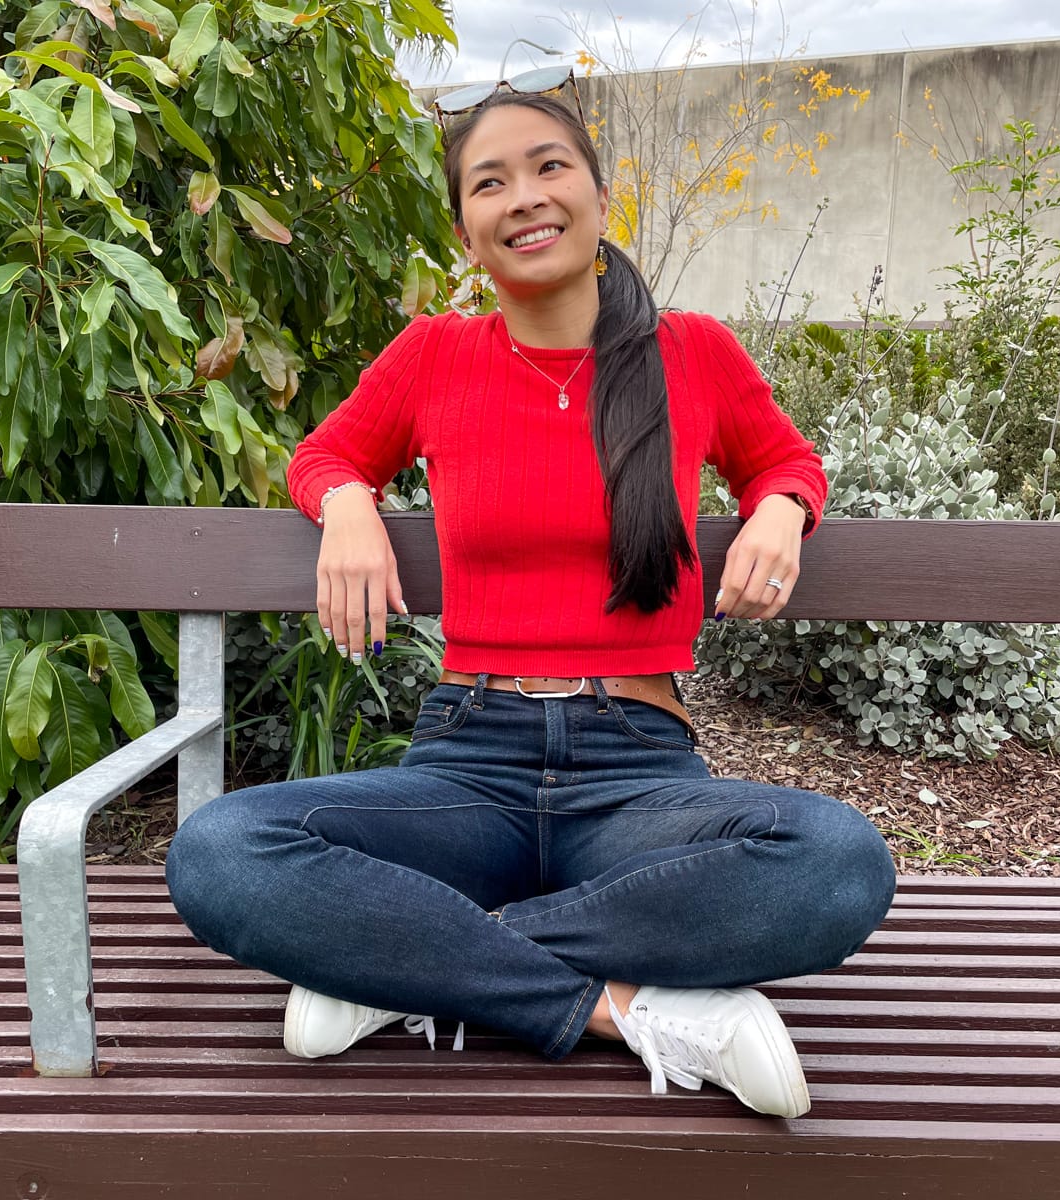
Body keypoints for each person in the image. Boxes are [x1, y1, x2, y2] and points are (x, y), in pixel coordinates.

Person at [165, 77, 896, 1120]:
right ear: (466, 232)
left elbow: (784, 460)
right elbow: (327, 452)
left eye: (549, 167)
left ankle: (401, 958)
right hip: (469, 757)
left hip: (637, 773)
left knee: (836, 864)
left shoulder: (692, 353)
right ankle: (628, 1009)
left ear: (600, 199)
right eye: (488, 182)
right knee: (220, 853)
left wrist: (781, 507)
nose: (524, 197)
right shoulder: (435, 355)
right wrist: (347, 508)